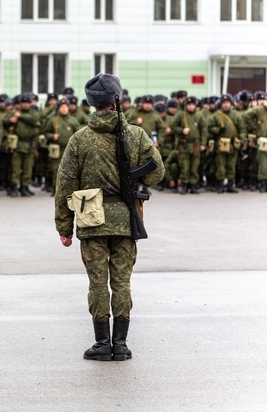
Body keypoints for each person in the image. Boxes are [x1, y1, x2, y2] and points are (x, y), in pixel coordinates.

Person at [54, 73, 164, 362]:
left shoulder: (79, 139)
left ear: (92, 103)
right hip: (126, 219)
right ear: (118, 99)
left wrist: (64, 226)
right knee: (122, 282)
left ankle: (102, 343)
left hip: (92, 219)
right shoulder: (137, 135)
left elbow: (64, 184)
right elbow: (156, 173)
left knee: (97, 283)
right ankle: (122, 344)